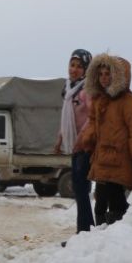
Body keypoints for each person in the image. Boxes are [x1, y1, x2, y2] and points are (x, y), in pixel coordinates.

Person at [75, 53, 132, 227]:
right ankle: (102, 237)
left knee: (116, 202)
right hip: (101, 159)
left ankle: (118, 235)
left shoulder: (127, 100)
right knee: (100, 205)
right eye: (100, 74)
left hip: (119, 160)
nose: (103, 78)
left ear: (118, 75)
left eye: (108, 74)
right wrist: (88, 137)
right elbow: (93, 122)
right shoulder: (99, 100)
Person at [53, 48, 94, 232]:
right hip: (75, 147)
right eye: (72, 65)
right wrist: (60, 139)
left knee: (81, 190)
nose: (74, 69)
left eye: (79, 66)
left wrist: (82, 138)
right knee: (79, 190)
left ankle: (84, 230)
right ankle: (84, 229)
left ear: (86, 69)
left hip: (85, 147)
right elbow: (66, 118)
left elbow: (93, 118)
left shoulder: (87, 90)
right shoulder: (69, 89)